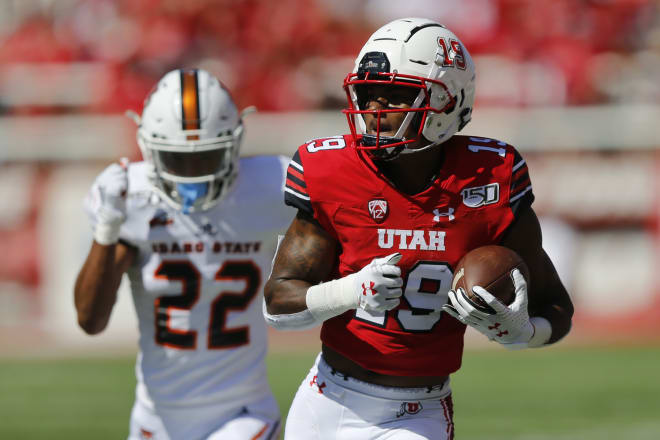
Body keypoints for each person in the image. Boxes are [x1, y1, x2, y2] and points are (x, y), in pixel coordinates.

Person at [263, 18, 574, 440]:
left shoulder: (489, 176)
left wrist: (524, 332)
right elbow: (277, 304)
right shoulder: (332, 170)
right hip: (325, 399)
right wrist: (349, 291)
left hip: (414, 412)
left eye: (395, 96)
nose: (374, 110)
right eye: (369, 94)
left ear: (448, 101)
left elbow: (556, 307)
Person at [74, 68, 292, 440]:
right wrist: (107, 228)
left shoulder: (273, 185)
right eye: (177, 160)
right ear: (149, 149)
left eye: (205, 158)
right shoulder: (131, 197)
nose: (191, 175)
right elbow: (90, 320)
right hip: (154, 419)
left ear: (233, 144)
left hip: (242, 415)